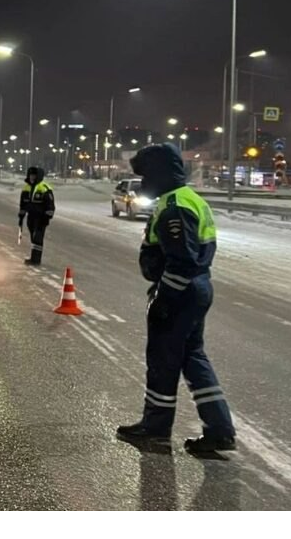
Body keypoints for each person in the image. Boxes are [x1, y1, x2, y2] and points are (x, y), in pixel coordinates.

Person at [116, 143, 236, 453]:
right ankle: (219, 429)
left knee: (163, 360)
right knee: (192, 357)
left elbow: (182, 260)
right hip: (195, 289)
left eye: (146, 175)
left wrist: (165, 300)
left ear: (160, 173)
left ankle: (154, 428)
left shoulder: (175, 207)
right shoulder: (187, 199)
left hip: (180, 292)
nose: (143, 182)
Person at [18, 166, 54, 265]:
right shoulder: (26, 187)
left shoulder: (45, 188)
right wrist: (21, 215)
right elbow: (23, 204)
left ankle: (36, 260)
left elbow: (50, 205)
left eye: (34, 175)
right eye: (31, 175)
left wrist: (47, 217)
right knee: (33, 238)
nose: (32, 177)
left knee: (38, 238)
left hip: (41, 218)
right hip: (31, 217)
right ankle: (34, 257)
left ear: (39, 176)